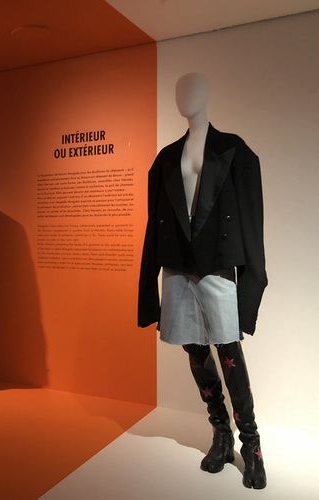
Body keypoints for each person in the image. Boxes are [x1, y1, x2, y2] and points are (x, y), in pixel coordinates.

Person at [138, 73, 268, 489]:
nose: (184, 97)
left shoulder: (235, 150)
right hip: (177, 266)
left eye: (192, 89)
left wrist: (254, 277)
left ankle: (251, 445)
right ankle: (221, 435)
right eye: (179, 90)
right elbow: (154, 223)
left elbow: (252, 219)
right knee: (195, 351)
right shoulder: (165, 158)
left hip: (218, 266)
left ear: (208, 94)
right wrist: (148, 280)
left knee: (228, 350)